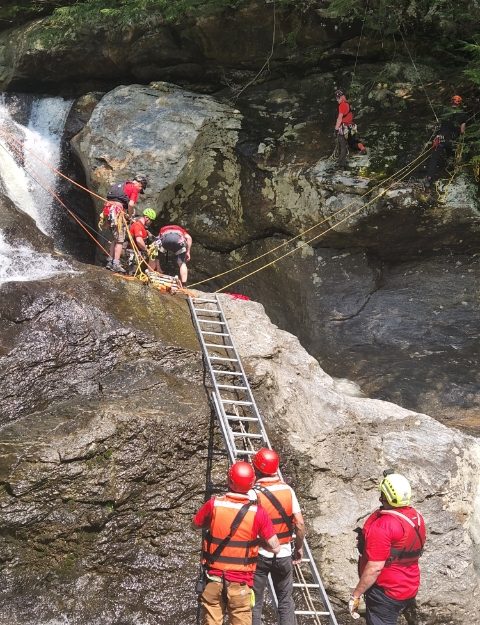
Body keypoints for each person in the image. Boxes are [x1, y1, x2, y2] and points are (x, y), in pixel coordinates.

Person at [193, 461, 281, 625]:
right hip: (240, 584)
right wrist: (255, 542)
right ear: (252, 483)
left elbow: (196, 523)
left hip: (214, 579)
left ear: (229, 480)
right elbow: (275, 547)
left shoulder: (214, 504)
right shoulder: (258, 513)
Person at [349, 470, 426, 625]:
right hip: (408, 585)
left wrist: (356, 595)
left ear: (385, 496)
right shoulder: (416, 517)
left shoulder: (384, 526)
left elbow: (375, 568)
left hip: (386, 592)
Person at [251, 448, 305, 625]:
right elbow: (299, 523)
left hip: (260, 553)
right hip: (283, 554)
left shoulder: (253, 493)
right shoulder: (288, 490)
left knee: (255, 603)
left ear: (256, 469)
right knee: (285, 601)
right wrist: (298, 547)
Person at [103, 174, 148, 272]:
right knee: (120, 240)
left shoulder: (121, 185)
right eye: (141, 189)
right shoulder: (134, 189)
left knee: (115, 238)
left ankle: (110, 261)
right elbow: (131, 204)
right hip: (117, 212)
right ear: (140, 185)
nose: (140, 191)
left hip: (108, 210)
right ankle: (116, 263)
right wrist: (130, 215)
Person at [425, 95, 467, 187]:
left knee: (434, 158)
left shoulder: (444, 111)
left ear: (451, 101)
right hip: (451, 139)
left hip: (440, 138)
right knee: (451, 154)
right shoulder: (463, 114)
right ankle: (451, 172)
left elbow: (439, 123)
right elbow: (462, 131)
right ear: (460, 103)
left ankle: (428, 179)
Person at [334, 89, 367, 169]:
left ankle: (341, 165)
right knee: (352, 143)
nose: (337, 100)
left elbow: (339, 118)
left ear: (340, 97)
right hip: (351, 127)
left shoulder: (341, 105)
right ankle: (362, 148)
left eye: (337, 98)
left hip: (344, 128)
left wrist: (336, 128)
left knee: (343, 146)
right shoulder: (347, 103)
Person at [128, 208, 157, 272]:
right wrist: (146, 250)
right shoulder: (137, 225)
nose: (151, 223)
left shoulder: (143, 227)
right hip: (134, 253)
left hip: (138, 252)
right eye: (151, 220)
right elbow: (139, 240)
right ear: (146, 218)